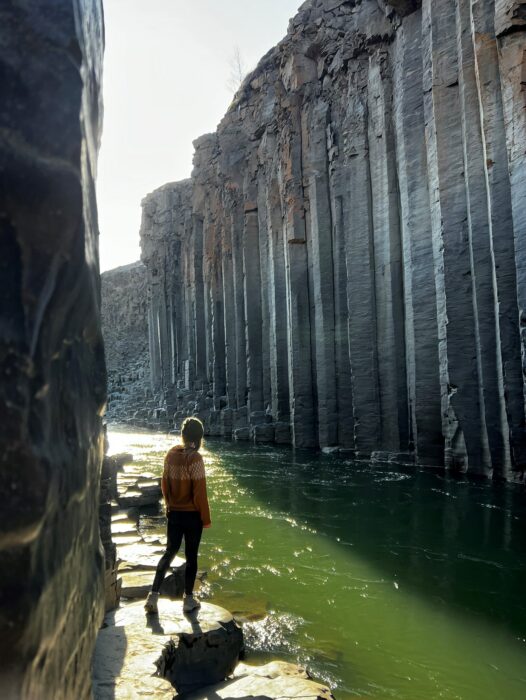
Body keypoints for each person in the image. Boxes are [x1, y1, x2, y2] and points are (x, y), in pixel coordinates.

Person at [144, 417, 211, 615]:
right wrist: (205, 519)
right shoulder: (195, 458)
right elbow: (200, 493)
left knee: (170, 552)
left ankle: (152, 596)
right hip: (192, 517)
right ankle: (188, 600)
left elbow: (164, 484)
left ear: (182, 435)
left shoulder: (171, 454)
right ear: (198, 437)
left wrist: (168, 505)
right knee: (191, 557)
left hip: (174, 513)